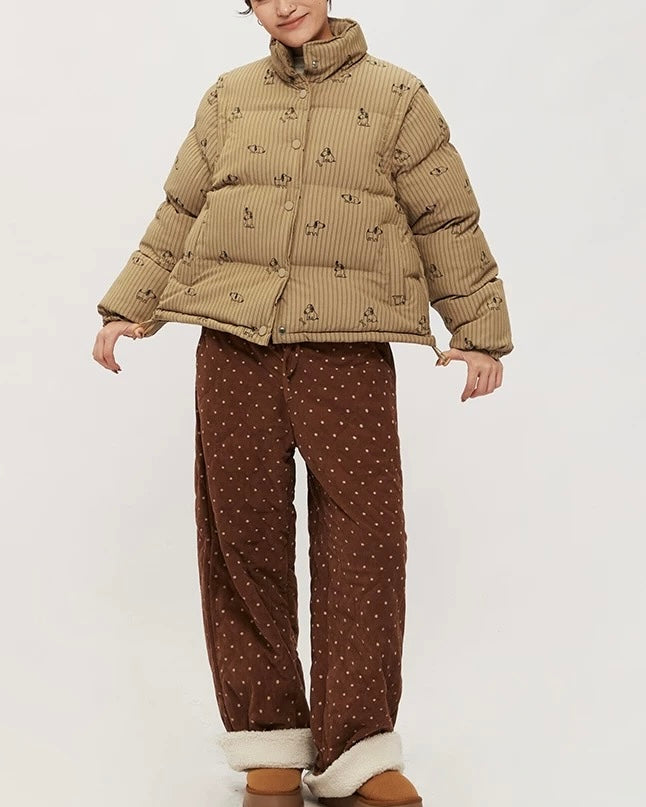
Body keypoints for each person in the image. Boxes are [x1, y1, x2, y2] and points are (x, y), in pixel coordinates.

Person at [92, 2, 513, 805]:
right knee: (242, 537)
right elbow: (181, 209)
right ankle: (270, 735)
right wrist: (128, 308)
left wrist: (480, 331)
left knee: (365, 543)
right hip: (232, 347)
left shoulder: (396, 96)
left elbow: (446, 215)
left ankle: (358, 745)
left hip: (348, 351)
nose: (284, 4)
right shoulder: (228, 96)